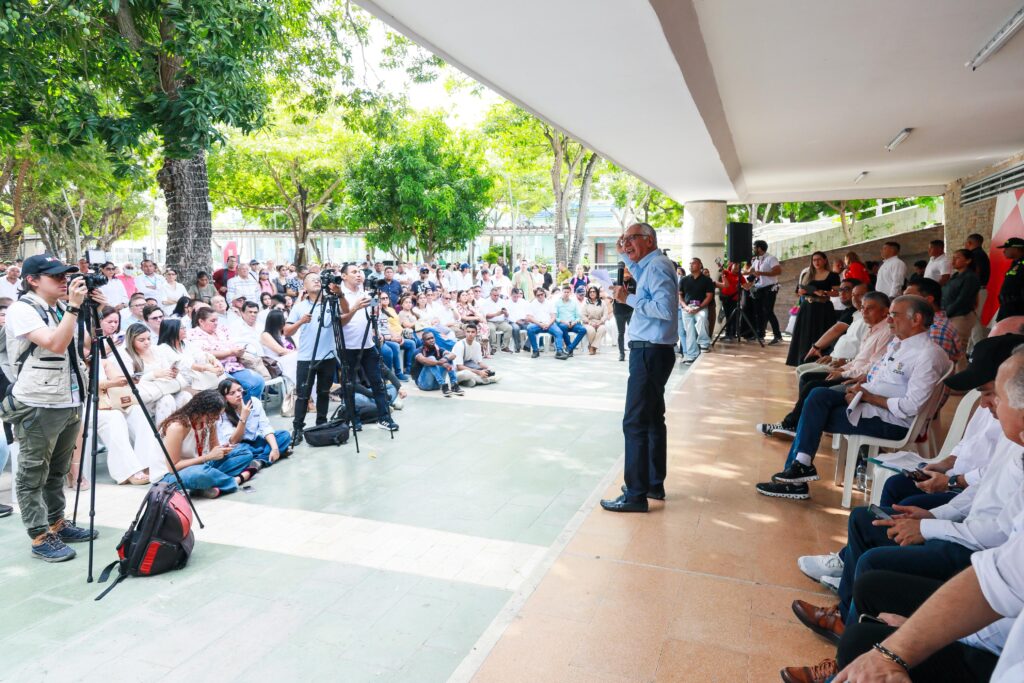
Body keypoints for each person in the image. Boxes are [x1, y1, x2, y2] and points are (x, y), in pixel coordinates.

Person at [756, 295, 952, 500]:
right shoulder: (899, 343)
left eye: (894, 314)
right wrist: (860, 387)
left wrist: (869, 397)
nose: (889, 319)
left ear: (916, 319)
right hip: (869, 403)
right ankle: (800, 468)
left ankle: (797, 477)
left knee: (812, 416)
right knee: (817, 395)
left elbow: (911, 406)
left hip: (892, 421)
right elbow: (878, 375)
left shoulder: (927, 355)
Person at [1, 254, 105, 561]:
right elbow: (55, 344)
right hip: (38, 401)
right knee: (33, 472)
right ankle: (39, 535)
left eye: (66, 276)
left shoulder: (60, 306)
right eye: (56, 276)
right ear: (32, 280)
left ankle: (57, 521)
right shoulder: (22, 309)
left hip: (69, 398)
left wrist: (94, 311)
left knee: (58, 470)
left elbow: (81, 345)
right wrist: (73, 307)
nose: (64, 281)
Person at [600, 223, 679, 513]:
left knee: (634, 422)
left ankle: (635, 494)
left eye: (631, 238)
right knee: (653, 419)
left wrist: (627, 299)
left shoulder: (657, 267)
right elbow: (638, 269)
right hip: (653, 351)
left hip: (649, 352)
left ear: (649, 240)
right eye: (624, 239)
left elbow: (665, 309)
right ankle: (652, 484)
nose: (626, 243)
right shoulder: (653, 265)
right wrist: (624, 254)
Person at [156, 390, 258, 499]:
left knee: (245, 452)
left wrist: (222, 450)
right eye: (215, 414)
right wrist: (207, 457)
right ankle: (236, 480)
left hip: (200, 465)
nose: (217, 418)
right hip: (170, 476)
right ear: (202, 410)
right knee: (200, 474)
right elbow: (173, 467)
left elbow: (214, 449)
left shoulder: (209, 421)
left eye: (219, 415)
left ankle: (205, 485)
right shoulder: (177, 427)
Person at [337, 264, 399, 432]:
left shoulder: (365, 292)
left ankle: (384, 418)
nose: (358, 275)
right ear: (344, 276)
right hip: (348, 347)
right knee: (349, 384)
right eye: (354, 272)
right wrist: (355, 307)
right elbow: (340, 321)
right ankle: (353, 418)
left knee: (378, 382)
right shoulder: (339, 294)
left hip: (368, 345)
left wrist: (375, 312)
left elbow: (373, 312)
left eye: (359, 272)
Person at [284, 272, 339, 444]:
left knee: (324, 392)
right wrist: (300, 322)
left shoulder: (331, 303)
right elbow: (286, 331)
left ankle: (321, 424)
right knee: (303, 394)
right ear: (305, 287)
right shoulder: (299, 307)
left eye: (318, 279)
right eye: (312, 280)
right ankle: (298, 428)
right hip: (307, 357)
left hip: (328, 356)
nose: (316, 281)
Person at [188, 308, 265, 403]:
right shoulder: (194, 334)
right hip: (215, 370)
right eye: (212, 321)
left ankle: (247, 408)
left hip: (233, 365)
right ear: (201, 321)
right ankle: (238, 409)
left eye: (217, 320)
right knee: (239, 387)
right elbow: (206, 354)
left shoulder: (221, 330)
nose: (216, 323)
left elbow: (231, 344)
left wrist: (238, 351)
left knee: (258, 381)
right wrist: (230, 352)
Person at [216, 378, 291, 466]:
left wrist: (275, 448)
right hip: (241, 445)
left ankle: (260, 460)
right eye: (232, 393)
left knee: (284, 435)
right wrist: (243, 418)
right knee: (242, 452)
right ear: (224, 398)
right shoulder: (223, 413)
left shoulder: (254, 401)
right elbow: (234, 441)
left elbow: (265, 427)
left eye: (239, 390)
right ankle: (269, 454)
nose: (238, 394)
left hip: (257, 440)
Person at [787, 251, 841, 366]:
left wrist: (825, 292)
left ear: (825, 260)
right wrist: (801, 292)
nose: (816, 262)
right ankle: (802, 359)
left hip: (823, 308)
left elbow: (838, 292)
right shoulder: (806, 274)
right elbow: (797, 292)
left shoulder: (832, 275)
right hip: (807, 307)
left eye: (819, 259)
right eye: (814, 260)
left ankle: (820, 360)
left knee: (821, 333)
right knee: (805, 333)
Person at [943, 248, 982, 371]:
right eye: (953, 257)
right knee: (952, 347)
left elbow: (963, 299)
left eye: (957, 258)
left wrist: (947, 312)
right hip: (951, 314)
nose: (953, 260)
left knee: (958, 348)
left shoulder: (970, 277)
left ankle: (960, 375)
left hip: (961, 316)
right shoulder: (955, 276)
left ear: (968, 261)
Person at [678, 257, 715, 364]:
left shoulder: (707, 280)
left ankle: (704, 343)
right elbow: (680, 296)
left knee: (702, 319)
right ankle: (691, 355)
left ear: (700, 265)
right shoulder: (684, 280)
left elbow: (709, 296)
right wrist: (685, 307)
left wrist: (700, 307)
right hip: (687, 308)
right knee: (689, 332)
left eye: (693, 263)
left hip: (701, 307)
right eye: (690, 263)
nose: (691, 265)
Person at [746, 239, 783, 344]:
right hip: (759, 288)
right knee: (758, 312)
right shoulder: (756, 260)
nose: (753, 249)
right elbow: (751, 272)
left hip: (770, 288)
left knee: (768, 311)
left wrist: (761, 273)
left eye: (754, 247)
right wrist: (739, 273)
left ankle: (778, 336)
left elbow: (778, 271)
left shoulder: (771, 258)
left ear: (759, 248)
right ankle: (760, 335)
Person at [412, 330, 462, 396]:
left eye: (432, 338)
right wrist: (439, 363)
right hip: (424, 384)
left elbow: (453, 355)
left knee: (448, 358)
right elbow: (424, 360)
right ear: (423, 341)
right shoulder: (418, 351)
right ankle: (443, 384)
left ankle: (454, 384)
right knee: (431, 359)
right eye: (428, 339)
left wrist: (445, 359)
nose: (431, 340)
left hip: (437, 385)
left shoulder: (438, 349)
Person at [525, 287, 567, 359]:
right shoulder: (532, 304)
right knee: (529, 328)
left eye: (542, 294)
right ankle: (535, 350)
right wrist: (540, 324)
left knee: (559, 332)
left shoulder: (550, 303)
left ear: (544, 294)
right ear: (535, 296)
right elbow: (529, 317)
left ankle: (559, 351)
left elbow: (553, 316)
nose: (540, 296)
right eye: (538, 295)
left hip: (549, 324)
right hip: (538, 324)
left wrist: (548, 324)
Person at [553, 284, 587, 356]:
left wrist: (574, 322)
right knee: (563, 327)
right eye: (565, 292)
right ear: (562, 292)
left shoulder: (574, 303)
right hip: (562, 323)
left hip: (573, 323)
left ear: (570, 293)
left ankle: (569, 348)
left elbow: (578, 316)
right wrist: (565, 322)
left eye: (568, 292)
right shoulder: (557, 303)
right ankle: (569, 349)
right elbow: (556, 317)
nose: (566, 294)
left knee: (583, 330)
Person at [479, 287, 514, 353]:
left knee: (509, 328)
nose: (496, 297)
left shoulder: (503, 301)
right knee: (491, 329)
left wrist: (505, 313)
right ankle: (493, 347)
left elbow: (507, 315)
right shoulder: (486, 302)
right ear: (490, 294)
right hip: (490, 321)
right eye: (495, 295)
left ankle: (505, 347)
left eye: (498, 295)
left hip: (501, 322)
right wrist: (496, 314)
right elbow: (486, 316)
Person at [997, 236, 1024, 321]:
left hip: (1017, 309)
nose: (1004, 251)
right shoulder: (1015, 263)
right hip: (1007, 307)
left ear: (1016, 249)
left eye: (1007, 248)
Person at [715, 261, 741, 341]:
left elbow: (746, 286)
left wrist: (752, 279)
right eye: (735, 265)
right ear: (731, 266)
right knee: (727, 316)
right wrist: (720, 265)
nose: (737, 267)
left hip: (734, 299)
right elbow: (722, 271)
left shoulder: (740, 276)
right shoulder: (727, 272)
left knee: (733, 316)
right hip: (725, 298)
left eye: (738, 266)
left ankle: (732, 334)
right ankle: (728, 334)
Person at [581, 285, 609, 354]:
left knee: (602, 329)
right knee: (591, 330)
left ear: (597, 293)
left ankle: (592, 346)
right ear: (588, 293)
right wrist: (590, 322)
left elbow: (605, 315)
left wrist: (600, 322)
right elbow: (583, 316)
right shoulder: (585, 303)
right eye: (590, 292)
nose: (592, 293)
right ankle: (594, 347)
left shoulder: (602, 303)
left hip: (599, 322)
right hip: (588, 323)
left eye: (594, 292)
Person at [506, 288, 529, 353]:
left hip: (523, 321)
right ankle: (517, 347)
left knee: (532, 328)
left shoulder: (523, 302)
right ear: (511, 295)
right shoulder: (507, 302)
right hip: (513, 322)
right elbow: (507, 316)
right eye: (514, 296)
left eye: (517, 296)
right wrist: (516, 321)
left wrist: (525, 319)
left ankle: (527, 345)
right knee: (516, 328)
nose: (516, 298)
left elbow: (527, 312)